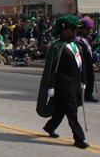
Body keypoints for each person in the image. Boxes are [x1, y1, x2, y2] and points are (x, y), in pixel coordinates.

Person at [37, 15, 89, 149]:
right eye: (71, 30)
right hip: (64, 85)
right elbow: (51, 70)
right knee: (72, 112)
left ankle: (50, 127)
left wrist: (83, 80)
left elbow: (82, 65)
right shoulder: (57, 46)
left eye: (75, 29)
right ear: (63, 31)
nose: (74, 32)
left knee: (61, 109)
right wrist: (51, 87)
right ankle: (79, 138)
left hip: (75, 83)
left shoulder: (78, 45)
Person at [76, 17, 98, 102]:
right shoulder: (78, 40)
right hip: (83, 63)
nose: (88, 31)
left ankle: (88, 95)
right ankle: (78, 96)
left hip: (89, 62)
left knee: (90, 78)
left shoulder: (88, 39)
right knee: (81, 80)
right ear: (81, 29)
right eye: (87, 29)